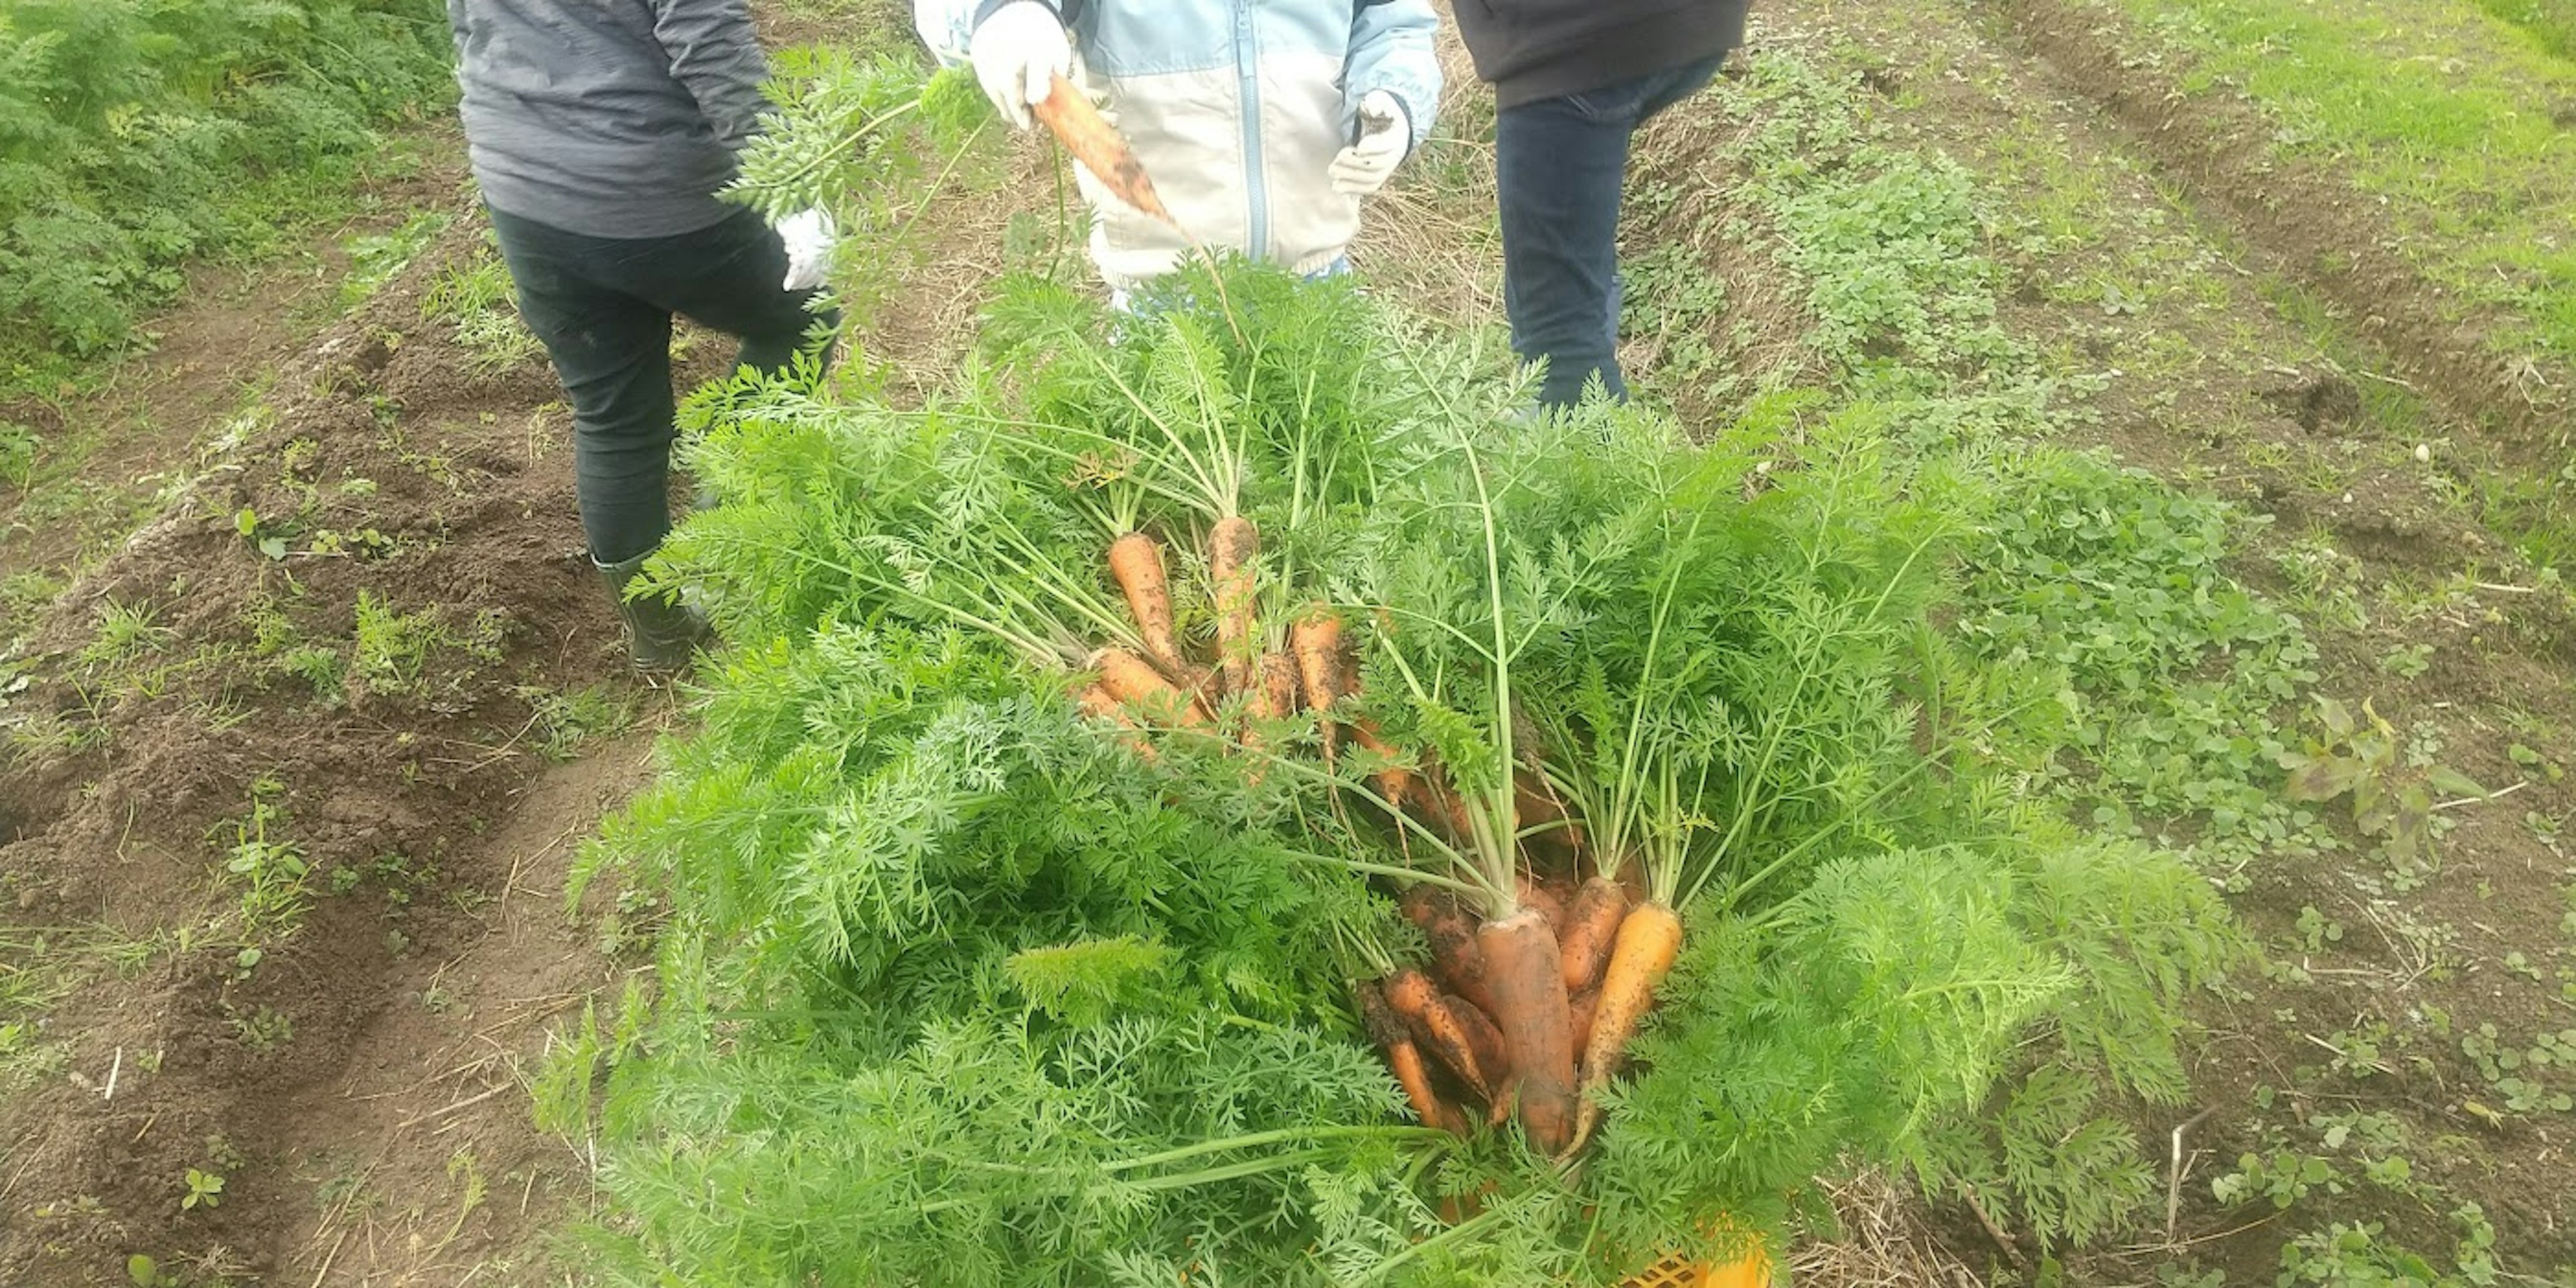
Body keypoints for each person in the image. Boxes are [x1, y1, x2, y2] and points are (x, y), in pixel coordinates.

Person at [446, 0, 839, 672]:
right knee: (802, 319)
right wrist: (790, 189)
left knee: (615, 415)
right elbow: (709, 41)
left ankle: (661, 641)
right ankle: (722, 536)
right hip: (653, 186)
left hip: (523, 186)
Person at [918, 0, 1440, 301]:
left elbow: (1394, 20)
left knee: (1333, 478)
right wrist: (1005, 13)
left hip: (1317, 277)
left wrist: (1394, 95)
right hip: (1162, 294)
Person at [1452, 1, 1752, 411]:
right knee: (1571, 259)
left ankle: (1588, 466)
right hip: (1684, 21)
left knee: (1558, 337)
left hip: (1570, 41)